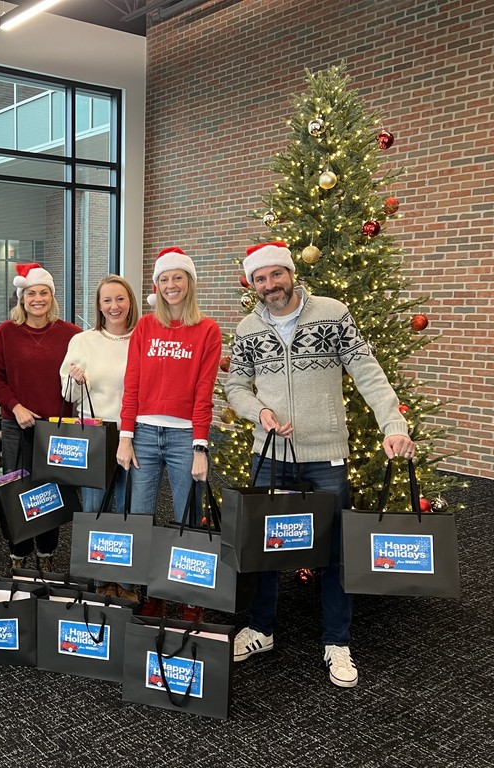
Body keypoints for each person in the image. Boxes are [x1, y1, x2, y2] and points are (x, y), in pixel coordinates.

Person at [225, 241, 416, 688]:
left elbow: (367, 371)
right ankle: (261, 629)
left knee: (334, 554)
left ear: (291, 274)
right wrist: (259, 413)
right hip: (270, 454)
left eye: (276, 275)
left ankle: (337, 642)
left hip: (326, 456)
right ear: (251, 283)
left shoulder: (332, 313)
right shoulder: (248, 327)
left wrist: (392, 425)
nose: (270, 285)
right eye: (260, 278)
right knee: (265, 548)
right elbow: (235, 386)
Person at [117, 247, 222, 621]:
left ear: (189, 282)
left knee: (187, 519)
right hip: (144, 433)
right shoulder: (145, 326)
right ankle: (151, 591)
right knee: (141, 516)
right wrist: (125, 437)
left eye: (177, 277)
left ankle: (189, 596)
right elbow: (132, 384)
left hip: (183, 439)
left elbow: (204, 391)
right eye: (164, 279)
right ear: (157, 286)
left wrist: (200, 446)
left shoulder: (207, 329)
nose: (171, 285)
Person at [0, 262, 81, 572]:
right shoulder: (5, 333)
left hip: (55, 428)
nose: (37, 298)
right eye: (31, 293)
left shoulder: (72, 334)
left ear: (51, 297)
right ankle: (18, 553)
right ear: (21, 298)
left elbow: (88, 366)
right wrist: (15, 406)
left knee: (51, 490)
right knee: (17, 489)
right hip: (17, 424)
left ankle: (47, 552)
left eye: (44, 293)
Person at [60, 274, 139, 600]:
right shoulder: (83, 341)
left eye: (120, 298)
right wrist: (76, 381)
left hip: (134, 433)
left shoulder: (142, 338)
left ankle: (125, 583)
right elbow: (66, 393)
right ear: (99, 305)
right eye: (107, 300)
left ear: (130, 301)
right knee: (95, 510)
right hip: (96, 435)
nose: (114, 306)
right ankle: (97, 581)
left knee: (128, 509)